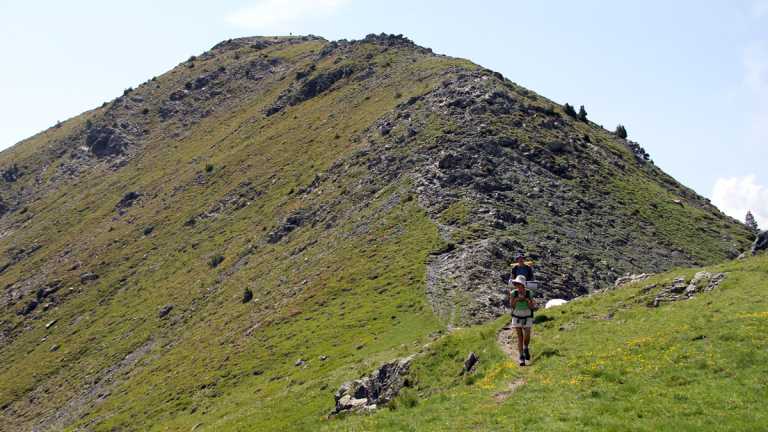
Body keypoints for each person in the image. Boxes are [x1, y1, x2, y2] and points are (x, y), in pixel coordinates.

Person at [510, 275, 534, 366]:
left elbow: (532, 306)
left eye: (519, 284)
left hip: (527, 316)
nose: (517, 285)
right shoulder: (513, 293)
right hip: (517, 316)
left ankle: (526, 348)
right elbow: (511, 306)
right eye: (516, 284)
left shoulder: (529, 293)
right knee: (520, 337)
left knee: (527, 336)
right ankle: (521, 357)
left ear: (523, 284)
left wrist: (527, 300)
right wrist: (516, 299)